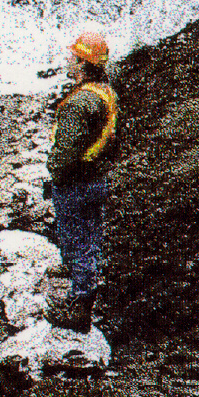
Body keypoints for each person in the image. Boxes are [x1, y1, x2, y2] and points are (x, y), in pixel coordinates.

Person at [45, 31, 118, 332]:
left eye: (72, 57)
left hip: (76, 183)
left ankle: (79, 310)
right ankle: (86, 295)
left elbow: (66, 150)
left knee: (75, 242)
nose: (67, 60)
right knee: (90, 240)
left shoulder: (79, 103)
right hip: (97, 178)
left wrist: (54, 174)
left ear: (82, 63)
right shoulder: (105, 93)